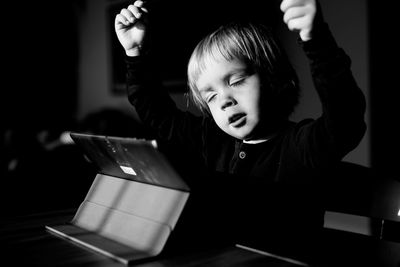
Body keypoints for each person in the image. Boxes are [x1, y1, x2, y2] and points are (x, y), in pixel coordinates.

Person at [114, 0, 366, 263]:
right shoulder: (210, 139)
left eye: (235, 81)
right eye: (210, 97)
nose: (224, 100)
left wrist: (317, 41)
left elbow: (346, 117)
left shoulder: (302, 146)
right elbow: (157, 113)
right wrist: (134, 53)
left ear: (273, 78)